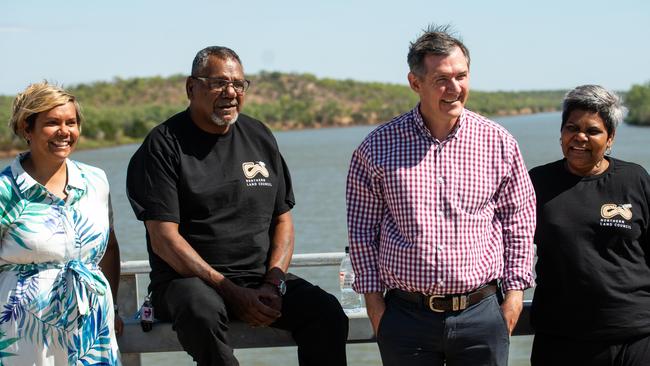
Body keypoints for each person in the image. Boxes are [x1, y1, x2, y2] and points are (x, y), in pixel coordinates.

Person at [126, 46, 348, 366]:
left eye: (239, 84)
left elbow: (283, 220)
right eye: (218, 83)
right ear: (191, 87)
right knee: (201, 313)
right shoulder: (163, 144)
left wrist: (274, 282)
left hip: (259, 281)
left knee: (326, 313)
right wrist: (230, 290)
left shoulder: (258, 135)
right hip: (188, 284)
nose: (230, 92)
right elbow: (164, 238)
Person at [346, 25, 536, 366]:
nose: (455, 88)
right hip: (406, 319)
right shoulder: (376, 148)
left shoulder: (499, 143)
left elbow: (518, 221)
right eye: (442, 79)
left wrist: (515, 296)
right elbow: (362, 232)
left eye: (462, 76)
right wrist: (374, 304)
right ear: (415, 82)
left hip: (482, 316)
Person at [0, 82, 122, 365]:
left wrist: (113, 307)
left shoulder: (96, 181)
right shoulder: (5, 190)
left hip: (92, 326)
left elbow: (110, 248)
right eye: (52, 123)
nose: (64, 131)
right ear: (26, 129)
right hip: (24, 331)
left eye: (71, 122)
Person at [529, 85, 650, 366]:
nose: (580, 137)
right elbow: (510, 246)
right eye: (571, 127)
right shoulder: (537, 182)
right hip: (560, 339)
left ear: (610, 138)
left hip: (636, 338)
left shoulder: (635, 179)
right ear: (561, 133)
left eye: (592, 130)